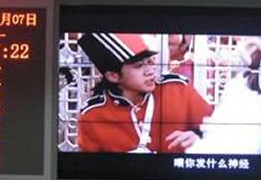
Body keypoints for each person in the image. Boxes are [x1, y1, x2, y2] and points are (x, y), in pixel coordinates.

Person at [76, 33, 213, 153]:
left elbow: (215, 131)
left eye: (150, 61)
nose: (150, 71)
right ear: (113, 76)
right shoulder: (93, 115)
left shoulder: (177, 89)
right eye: (139, 66)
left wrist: (198, 137)